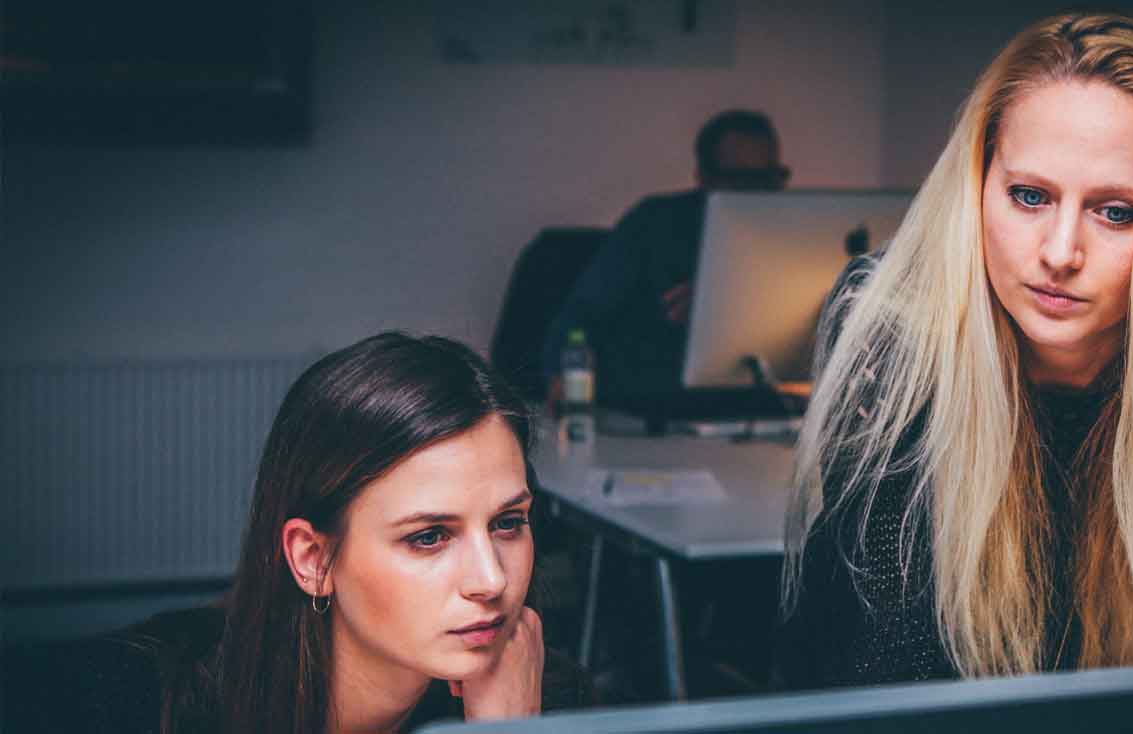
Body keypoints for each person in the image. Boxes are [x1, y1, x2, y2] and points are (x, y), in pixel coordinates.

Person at [777, 13, 1133, 690]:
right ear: (977, 186)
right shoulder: (893, 327)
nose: (1060, 253)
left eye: (1117, 212)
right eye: (1029, 196)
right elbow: (892, 663)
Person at [14, 333, 589, 732]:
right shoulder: (114, 703)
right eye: (429, 536)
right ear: (313, 559)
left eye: (508, 523)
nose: (491, 580)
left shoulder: (542, 700)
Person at [542, 109, 790, 409]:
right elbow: (582, 313)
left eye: (769, 178)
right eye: (740, 180)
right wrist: (564, 376)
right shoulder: (655, 224)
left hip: (763, 404)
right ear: (703, 178)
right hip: (659, 403)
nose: (756, 193)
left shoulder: (792, 237)